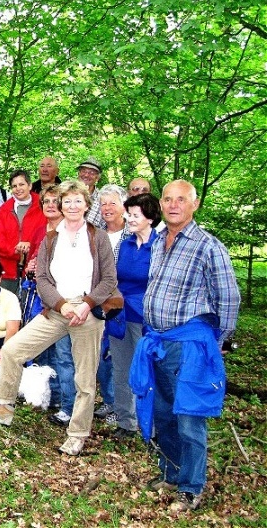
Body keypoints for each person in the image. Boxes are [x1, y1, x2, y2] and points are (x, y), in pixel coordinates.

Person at [0, 180, 118, 456]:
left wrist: (86, 305)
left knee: (85, 378)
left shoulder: (97, 237)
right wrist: (61, 306)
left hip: (87, 310)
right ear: (61, 205)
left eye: (78, 201)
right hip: (57, 307)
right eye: (67, 201)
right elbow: (43, 277)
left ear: (87, 205)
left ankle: (77, 433)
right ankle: (3, 406)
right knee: (13, 350)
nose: (72, 206)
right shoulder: (52, 238)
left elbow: (109, 278)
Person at [131, 180, 240, 511]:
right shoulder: (160, 241)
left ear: (194, 205)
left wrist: (217, 340)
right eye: (168, 199)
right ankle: (172, 473)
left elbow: (229, 298)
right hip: (159, 341)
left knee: (189, 416)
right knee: (163, 412)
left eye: (182, 200)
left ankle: (191, 486)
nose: (174, 205)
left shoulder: (208, 246)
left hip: (190, 344)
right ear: (161, 205)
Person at [107, 192, 162, 441]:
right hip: (120, 315)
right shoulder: (125, 244)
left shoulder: (160, 246)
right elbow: (114, 277)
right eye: (128, 214)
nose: (129, 218)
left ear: (149, 218)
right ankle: (125, 423)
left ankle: (152, 425)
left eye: (135, 215)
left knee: (148, 371)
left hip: (147, 318)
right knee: (121, 369)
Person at [30, 185, 75, 428]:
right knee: (42, 351)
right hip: (39, 300)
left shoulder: (71, 233)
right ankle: (50, 396)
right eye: (46, 201)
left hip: (62, 302)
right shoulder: (40, 230)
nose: (50, 205)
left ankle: (68, 405)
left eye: (55, 201)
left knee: (63, 355)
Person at [93, 184, 131, 425]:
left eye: (112, 203)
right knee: (100, 354)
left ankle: (123, 408)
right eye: (103, 204)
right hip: (98, 302)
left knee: (120, 355)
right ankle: (108, 400)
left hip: (124, 305)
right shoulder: (95, 233)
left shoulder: (132, 234)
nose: (107, 208)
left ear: (124, 207)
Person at [0, 170, 47, 294]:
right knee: (7, 307)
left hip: (34, 269)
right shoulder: (4, 209)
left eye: (21, 184)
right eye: (14, 186)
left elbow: (48, 234)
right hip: (8, 269)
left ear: (30, 185)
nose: (18, 189)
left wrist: (31, 248)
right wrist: (15, 250)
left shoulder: (43, 206)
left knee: (30, 308)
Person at [77, 157, 106, 229]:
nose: (86, 175)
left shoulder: (102, 199)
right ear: (79, 173)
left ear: (97, 177)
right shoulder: (67, 193)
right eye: (83, 171)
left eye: (91, 173)